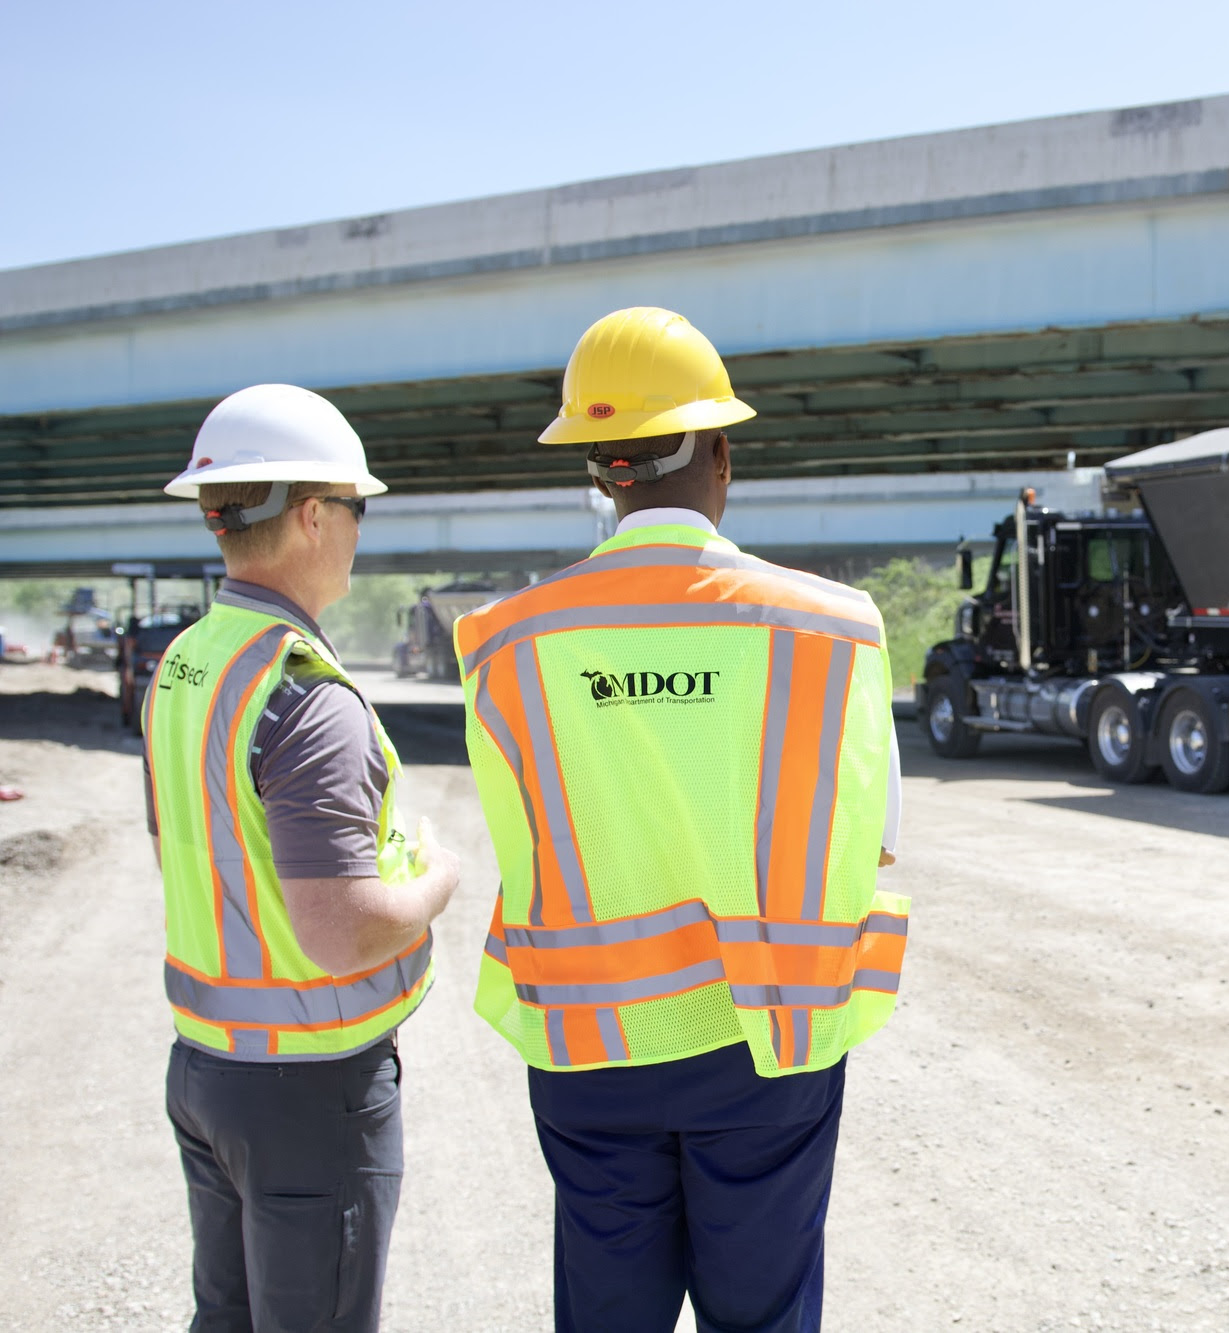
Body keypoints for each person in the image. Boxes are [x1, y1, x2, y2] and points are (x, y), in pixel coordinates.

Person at [454, 307, 909, 1333]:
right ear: (722, 455)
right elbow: (872, 839)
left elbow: (523, 832)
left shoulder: (499, 642)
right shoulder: (835, 630)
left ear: (603, 470)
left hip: (588, 1044)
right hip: (769, 1041)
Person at [144, 383, 461, 1332]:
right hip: (308, 1085)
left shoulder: (189, 660)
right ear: (316, 516)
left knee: (230, 1317)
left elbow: (181, 844)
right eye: (357, 509)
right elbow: (338, 930)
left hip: (207, 1069)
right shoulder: (304, 695)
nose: (359, 534)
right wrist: (436, 882)